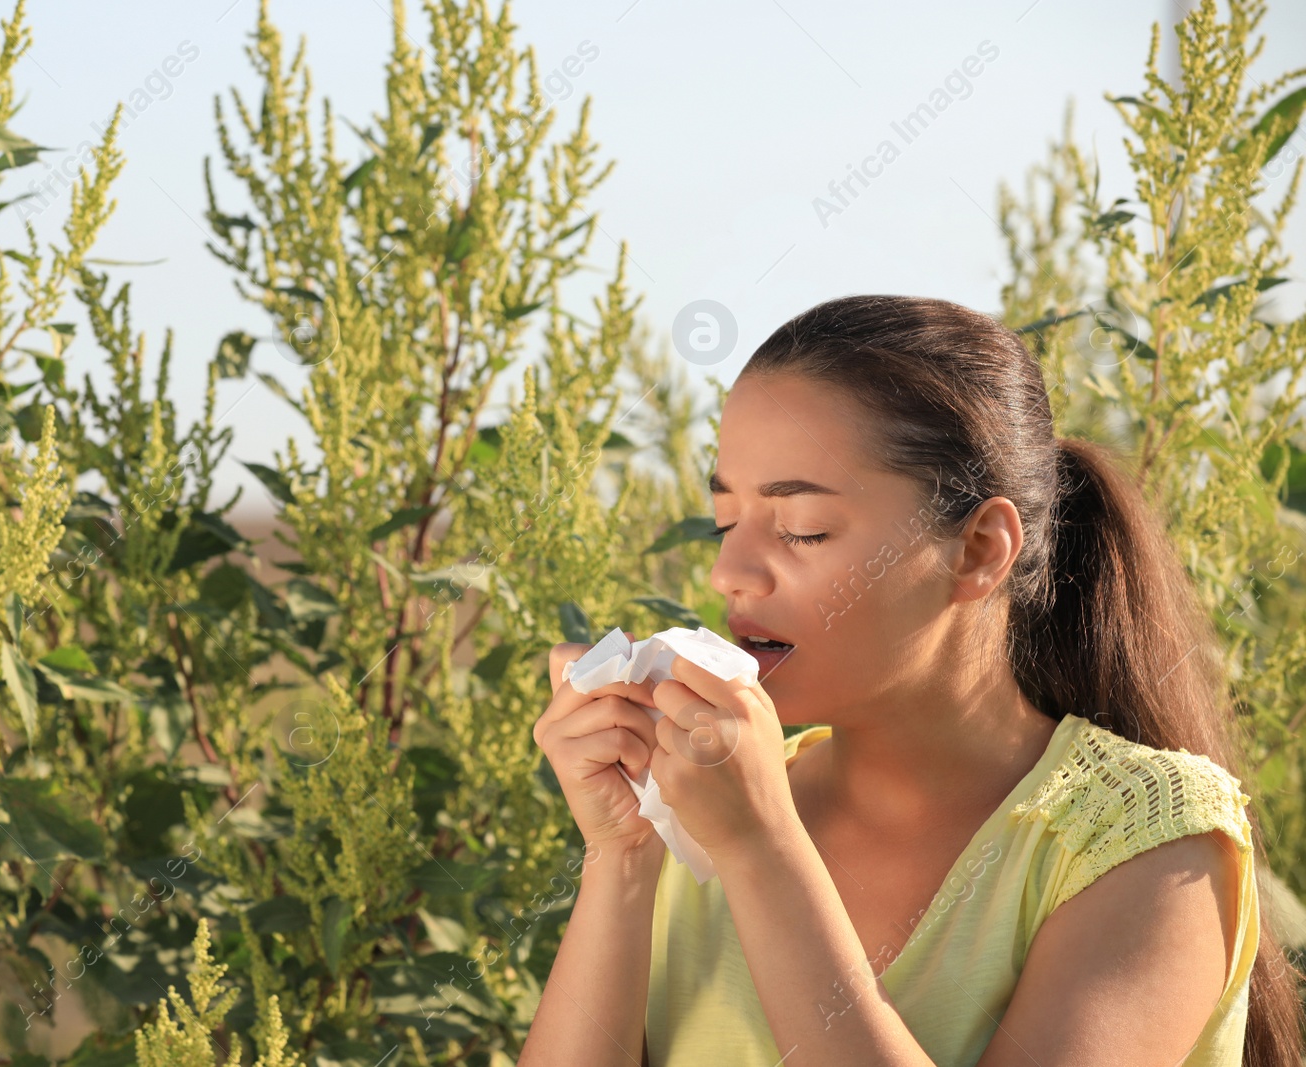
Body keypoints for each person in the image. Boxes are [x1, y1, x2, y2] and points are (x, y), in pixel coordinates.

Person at [521, 295, 1304, 1066]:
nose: (729, 573)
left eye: (802, 531)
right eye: (727, 521)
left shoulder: (1147, 838)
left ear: (979, 549)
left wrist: (763, 851)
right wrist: (623, 853)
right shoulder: (699, 813)